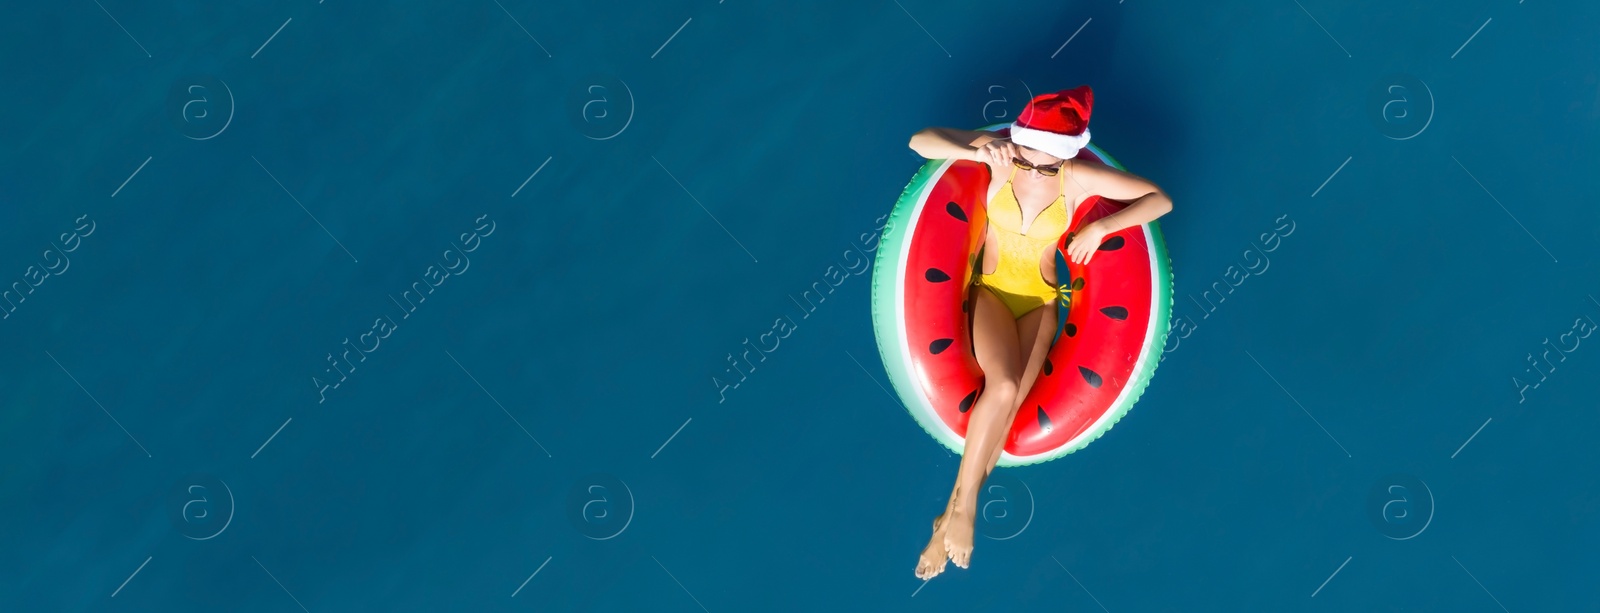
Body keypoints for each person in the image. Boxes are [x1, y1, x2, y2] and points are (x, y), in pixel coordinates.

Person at [905, 86, 1173, 580]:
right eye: (1031, 153)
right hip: (990, 294)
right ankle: (962, 515)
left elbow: (1160, 200)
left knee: (1004, 420)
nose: (1036, 167)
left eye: (1049, 161)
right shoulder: (1002, 157)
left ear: (1066, 155)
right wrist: (977, 147)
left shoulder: (1075, 178)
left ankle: (946, 517)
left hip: (1042, 304)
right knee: (1003, 387)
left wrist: (1100, 230)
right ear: (1022, 138)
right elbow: (920, 142)